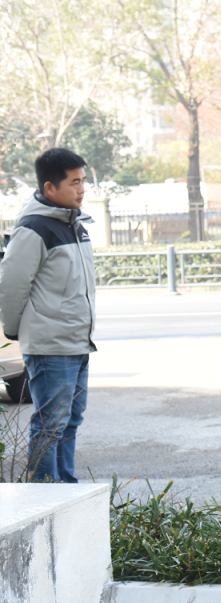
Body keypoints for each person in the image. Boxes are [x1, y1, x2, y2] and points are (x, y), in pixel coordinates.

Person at [0, 148, 95, 483]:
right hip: (50, 344)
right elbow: (11, 285)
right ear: (50, 188)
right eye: (74, 182)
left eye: (83, 181)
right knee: (50, 424)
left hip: (76, 342)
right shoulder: (34, 228)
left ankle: (65, 488)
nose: (82, 189)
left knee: (70, 420)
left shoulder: (75, 225)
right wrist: (15, 330)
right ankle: (43, 492)